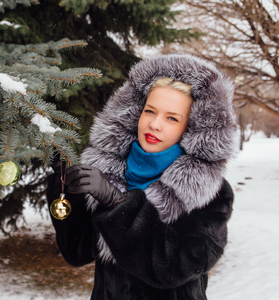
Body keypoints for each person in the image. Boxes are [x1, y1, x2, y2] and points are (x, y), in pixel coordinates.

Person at [47, 54, 238, 300]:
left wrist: (116, 203)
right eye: (150, 111)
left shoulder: (209, 192)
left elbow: (171, 268)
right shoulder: (111, 173)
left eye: (172, 118)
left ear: (191, 128)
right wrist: (62, 181)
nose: (155, 124)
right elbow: (77, 251)